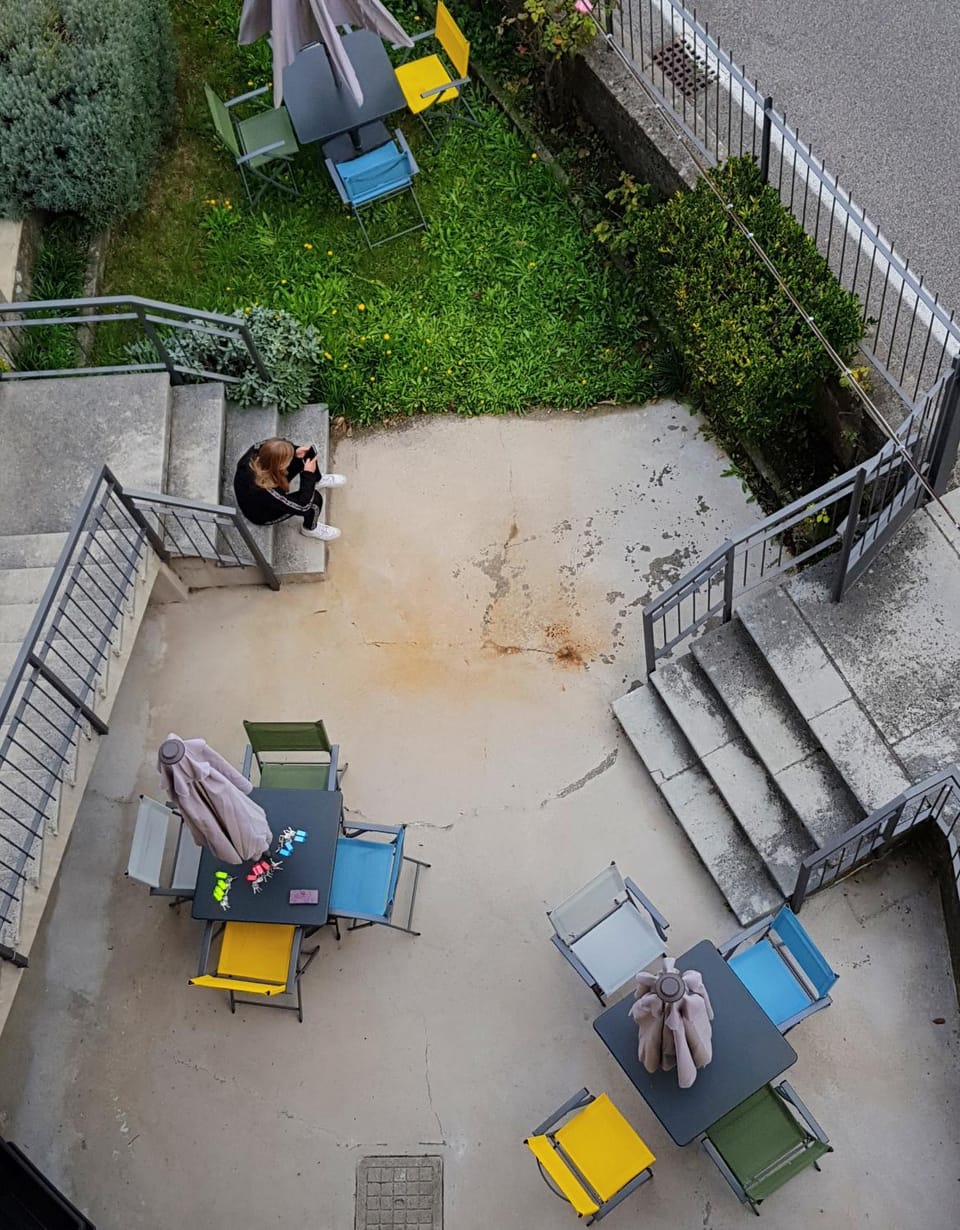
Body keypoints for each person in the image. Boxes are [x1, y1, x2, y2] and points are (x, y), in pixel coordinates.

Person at [233, 438, 346, 541]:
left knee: (304, 457)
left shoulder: (259, 450)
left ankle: (318, 480)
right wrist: (308, 476)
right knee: (314, 501)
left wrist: (295, 450)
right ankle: (310, 528)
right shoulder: (267, 491)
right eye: (286, 460)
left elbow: (283, 444)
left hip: (269, 476)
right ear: (279, 466)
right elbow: (303, 506)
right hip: (261, 513)